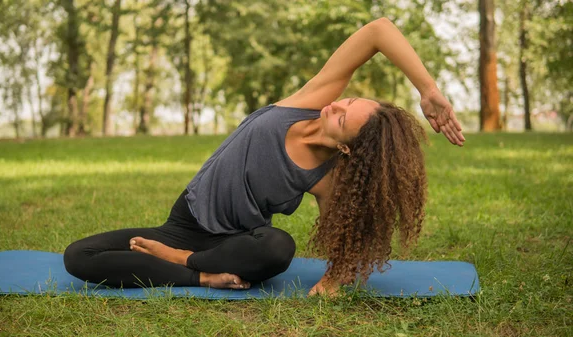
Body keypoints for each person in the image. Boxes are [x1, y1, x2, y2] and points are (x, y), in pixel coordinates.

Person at [64, 17, 465, 296]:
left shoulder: (328, 177)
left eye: (343, 119)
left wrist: (332, 282)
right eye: (348, 100)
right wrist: (427, 89)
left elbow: (344, 238)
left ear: (346, 147)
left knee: (278, 248)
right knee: (78, 256)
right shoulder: (308, 102)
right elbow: (378, 31)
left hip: (237, 243)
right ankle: (203, 276)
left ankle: (185, 264)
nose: (336, 107)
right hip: (184, 224)